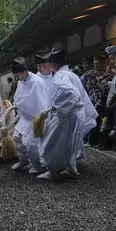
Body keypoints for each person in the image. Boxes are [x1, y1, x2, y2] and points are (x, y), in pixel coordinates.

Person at [38, 48, 85, 181]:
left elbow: (72, 93)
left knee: (52, 142)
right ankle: (71, 167)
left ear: (53, 63)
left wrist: (58, 108)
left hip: (66, 114)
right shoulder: (72, 75)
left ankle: (52, 170)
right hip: (76, 114)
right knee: (70, 142)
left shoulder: (60, 75)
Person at [9, 57, 49, 175]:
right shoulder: (21, 82)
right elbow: (18, 98)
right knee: (16, 138)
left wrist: (41, 119)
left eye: (18, 74)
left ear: (24, 71)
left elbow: (43, 102)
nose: (16, 77)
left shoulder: (37, 82)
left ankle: (37, 165)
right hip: (25, 117)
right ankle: (23, 160)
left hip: (37, 118)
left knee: (31, 143)